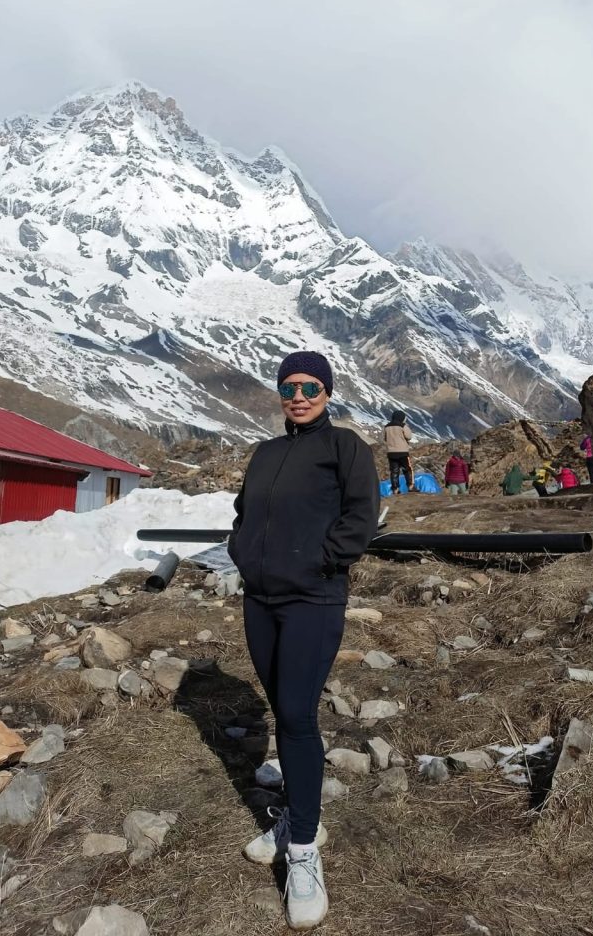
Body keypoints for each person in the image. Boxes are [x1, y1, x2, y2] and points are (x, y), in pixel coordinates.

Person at [228, 351, 379, 930]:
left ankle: (304, 852)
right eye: (288, 386)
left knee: (295, 714)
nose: (298, 395)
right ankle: (297, 814)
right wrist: (243, 551)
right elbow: (245, 514)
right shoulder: (265, 454)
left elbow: (362, 516)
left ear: (328, 392)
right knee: (282, 709)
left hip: (312, 599)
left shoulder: (345, 448)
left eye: (310, 386)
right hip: (259, 600)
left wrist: (323, 562)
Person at [384, 409, 416, 494]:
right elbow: (409, 436)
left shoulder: (386, 426)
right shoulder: (402, 426)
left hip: (391, 452)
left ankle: (395, 489)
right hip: (402, 452)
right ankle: (410, 486)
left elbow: (384, 438)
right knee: (408, 469)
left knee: (394, 471)